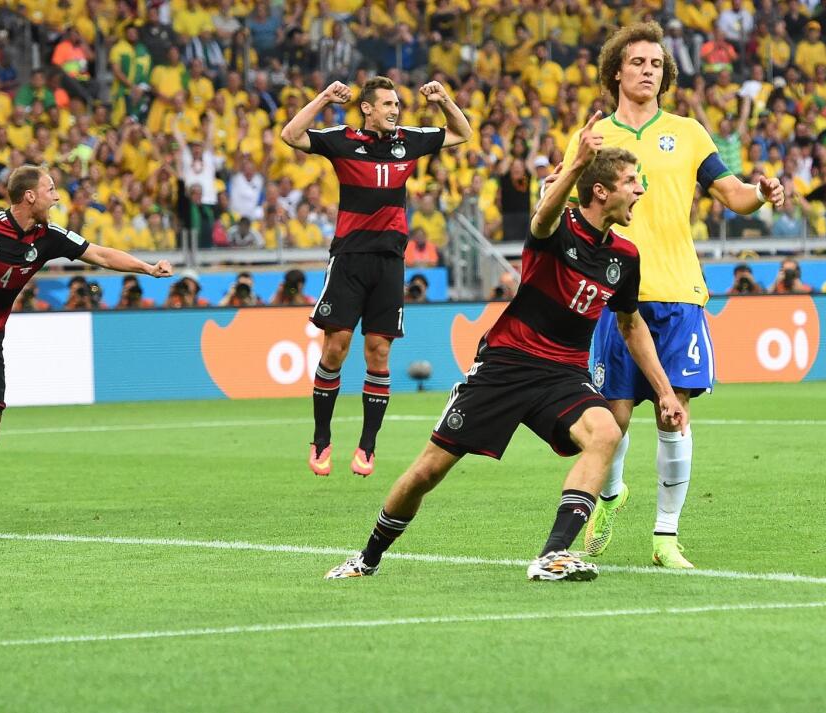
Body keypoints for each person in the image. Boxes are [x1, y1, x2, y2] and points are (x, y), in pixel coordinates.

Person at [325, 125, 687, 582]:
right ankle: (367, 557)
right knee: (427, 471)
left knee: (606, 433)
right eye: (633, 181)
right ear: (600, 190)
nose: (640, 189)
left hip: (563, 374)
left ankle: (553, 555)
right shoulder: (556, 230)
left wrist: (666, 392)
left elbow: (631, 326)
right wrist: (575, 163)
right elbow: (542, 217)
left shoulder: (625, 256)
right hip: (506, 365)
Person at [561, 22, 784, 568]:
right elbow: (559, 206)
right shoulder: (592, 137)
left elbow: (731, 193)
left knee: (673, 414)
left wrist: (761, 191)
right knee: (610, 425)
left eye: (657, 64)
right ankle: (611, 497)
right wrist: (573, 162)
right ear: (617, 70)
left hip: (678, 292)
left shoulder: (687, 133)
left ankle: (665, 537)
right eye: (638, 62)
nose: (648, 71)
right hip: (614, 297)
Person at [0, 165, 173, 512]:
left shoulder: (49, 237)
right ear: (29, 196)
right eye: (51, 189)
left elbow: (100, 254)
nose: (57, 197)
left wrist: (147, 268)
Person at [281, 76, 472, 478]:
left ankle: (367, 446)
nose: (394, 110)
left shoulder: (410, 139)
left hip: (389, 262)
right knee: (336, 347)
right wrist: (324, 98)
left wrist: (443, 98)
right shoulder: (342, 139)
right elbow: (291, 134)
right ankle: (321, 438)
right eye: (387, 104)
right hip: (349, 259)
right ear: (367, 108)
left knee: (379, 353)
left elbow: (462, 132)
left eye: (397, 104)